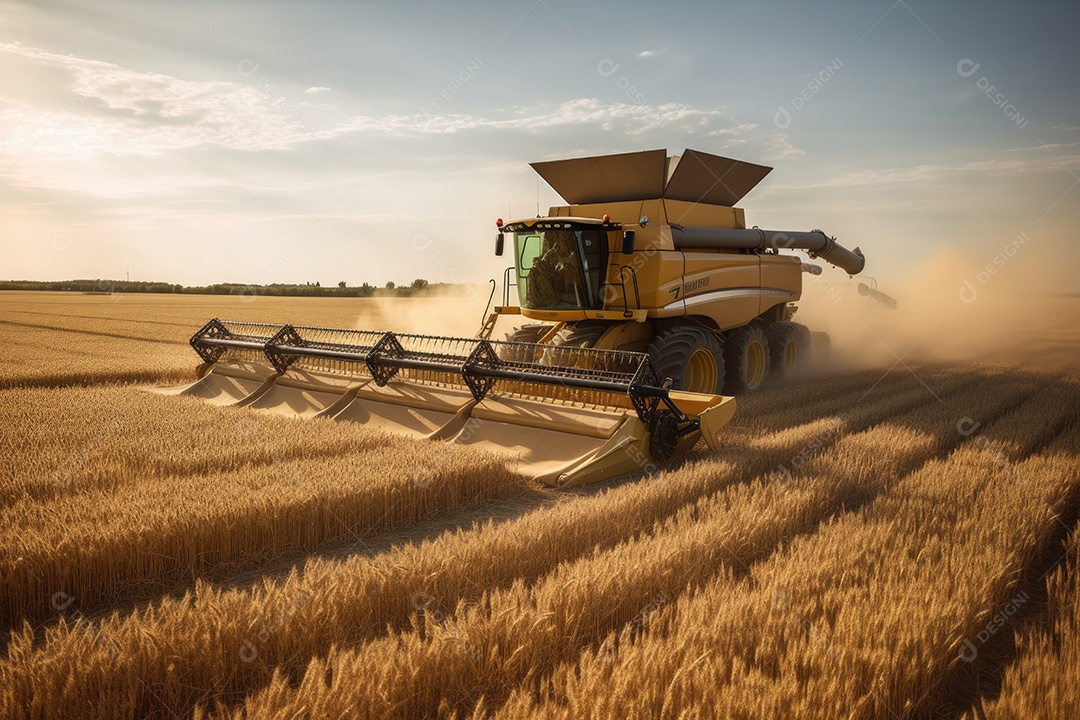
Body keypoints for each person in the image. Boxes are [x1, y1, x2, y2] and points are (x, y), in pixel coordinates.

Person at [527, 230, 580, 307]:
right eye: (567, 243)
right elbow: (552, 301)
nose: (569, 250)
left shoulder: (549, 271)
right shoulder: (540, 275)